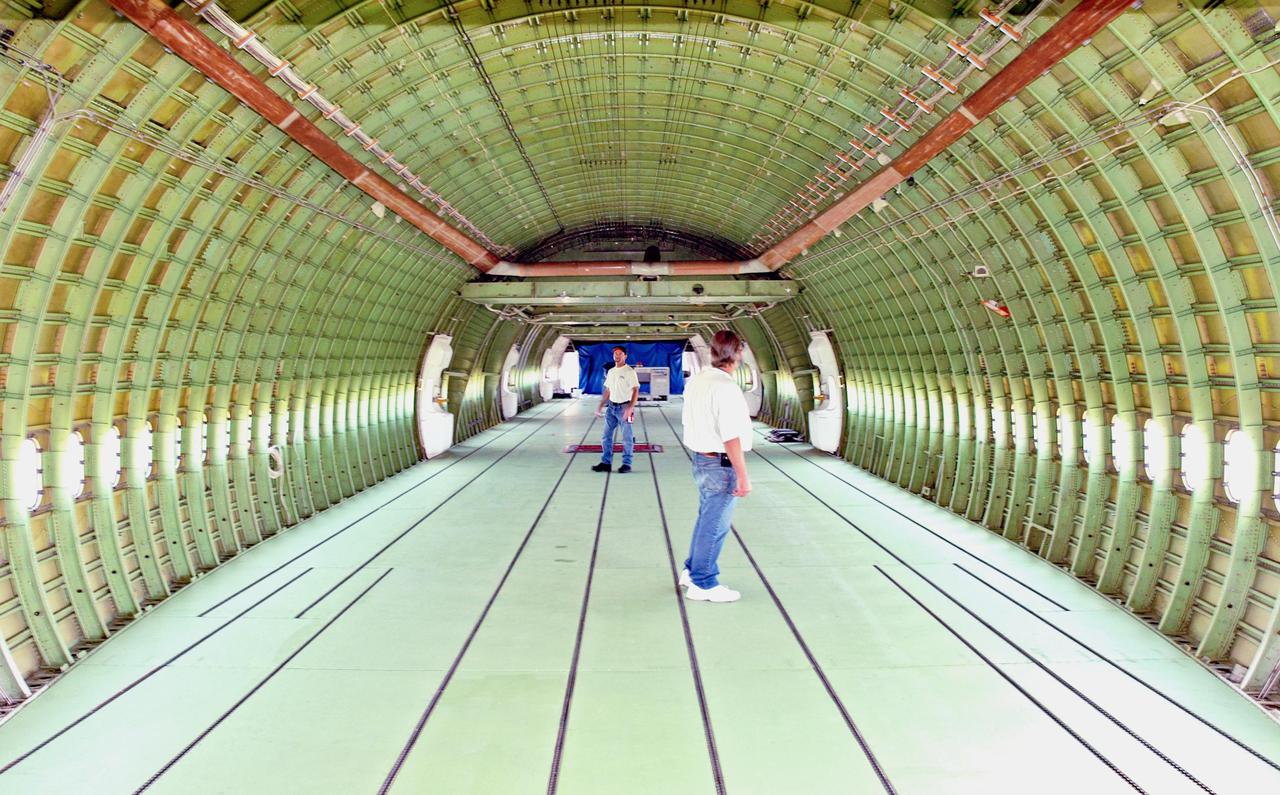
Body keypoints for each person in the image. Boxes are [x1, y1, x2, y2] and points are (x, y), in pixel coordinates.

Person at [679, 330, 751, 603]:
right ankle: (704, 583)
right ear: (737, 354)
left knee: (705, 519)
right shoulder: (726, 387)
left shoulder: (698, 381)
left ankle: (691, 570)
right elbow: (730, 435)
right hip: (720, 465)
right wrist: (743, 476)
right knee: (715, 525)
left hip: (701, 459)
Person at [593, 346, 639, 473]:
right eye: (615, 354)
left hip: (625, 407)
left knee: (627, 437)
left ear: (625, 356)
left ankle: (627, 464)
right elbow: (608, 390)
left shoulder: (630, 372)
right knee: (606, 436)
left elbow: (636, 390)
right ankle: (606, 463)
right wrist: (600, 405)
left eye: (620, 353)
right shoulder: (611, 372)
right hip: (611, 408)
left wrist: (631, 408)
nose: (617, 356)